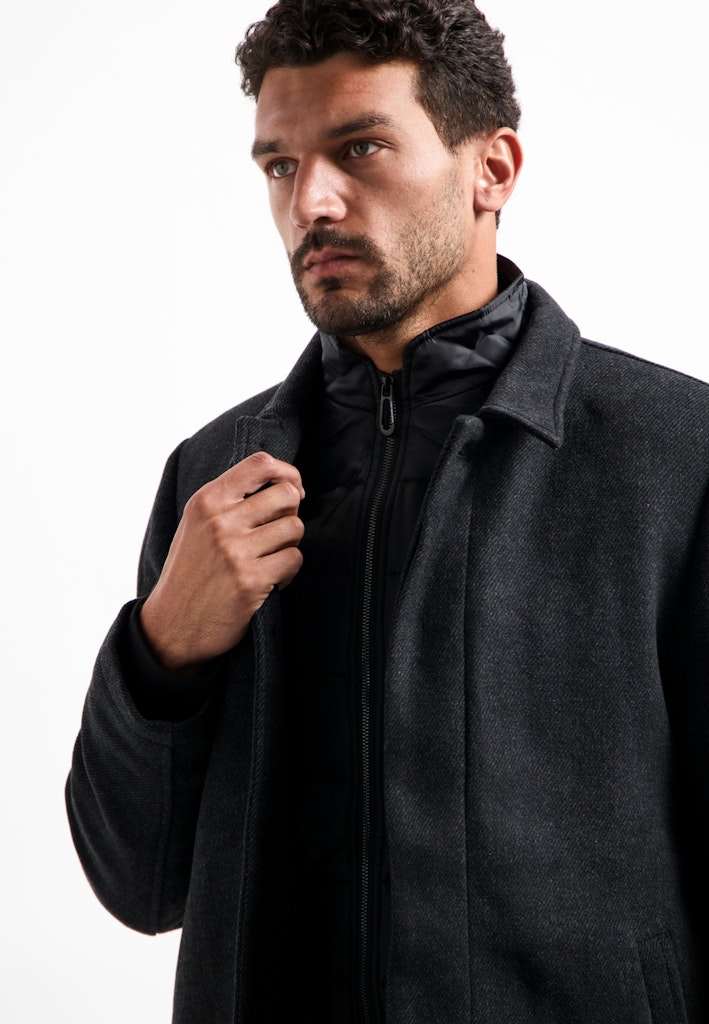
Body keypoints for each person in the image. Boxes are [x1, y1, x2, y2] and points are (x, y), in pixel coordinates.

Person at [66, 1, 709, 1021]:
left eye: (359, 147)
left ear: (491, 168)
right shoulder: (215, 475)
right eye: (279, 165)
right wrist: (163, 652)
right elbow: (137, 886)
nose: (310, 201)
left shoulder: (674, 456)